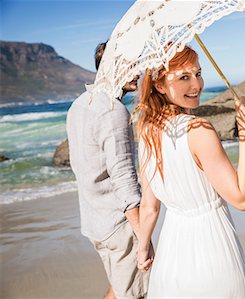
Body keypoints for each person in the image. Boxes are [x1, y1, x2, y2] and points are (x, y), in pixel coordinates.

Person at [135, 45, 245, 298]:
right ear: (159, 85)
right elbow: (242, 198)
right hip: (212, 252)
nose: (197, 85)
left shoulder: (146, 132)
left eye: (198, 73)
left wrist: (143, 247)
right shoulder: (199, 129)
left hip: (171, 258)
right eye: (184, 77)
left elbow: (149, 208)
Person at [66, 41, 149, 299]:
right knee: (137, 294)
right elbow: (125, 180)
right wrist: (143, 236)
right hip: (118, 226)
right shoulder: (113, 112)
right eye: (130, 64)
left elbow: (78, 165)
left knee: (119, 287)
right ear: (112, 67)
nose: (138, 70)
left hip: (93, 222)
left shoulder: (78, 105)